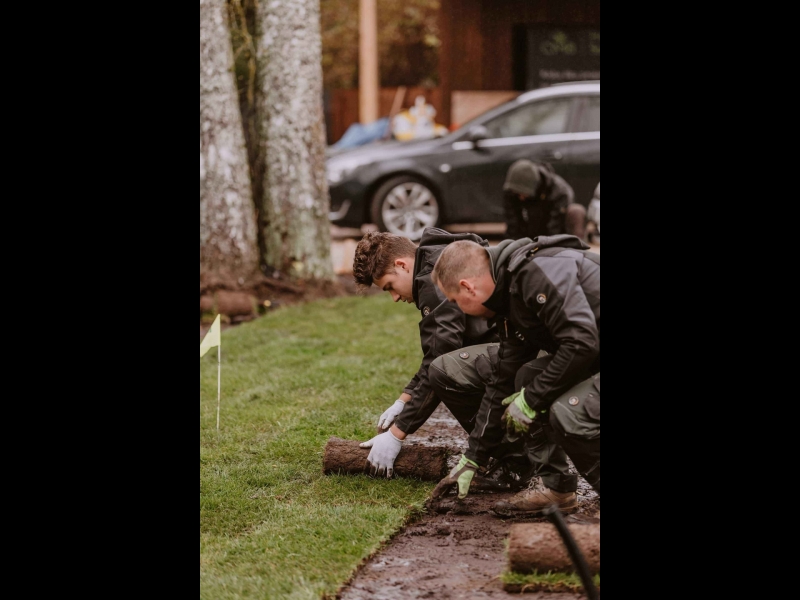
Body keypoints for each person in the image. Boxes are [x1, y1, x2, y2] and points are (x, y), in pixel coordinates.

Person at [352, 228, 576, 502]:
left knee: (448, 372)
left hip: (537, 352)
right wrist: (404, 399)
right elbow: (437, 350)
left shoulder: (433, 282)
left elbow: (439, 358)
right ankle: (507, 454)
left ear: (402, 265)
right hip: (528, 348)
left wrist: (397, 435)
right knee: (456, 368)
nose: (395, 297)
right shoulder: (437, 257)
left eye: (389, 286)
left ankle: (514, 461)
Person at [429, 233, 600, 516]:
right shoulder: (509, 295)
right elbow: (503, 380)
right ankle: (557, 489)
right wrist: (472, 458)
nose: (459, 309)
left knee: (569, 411)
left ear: (467, 287)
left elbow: (581, 343)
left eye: (455, 301)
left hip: (590, 348)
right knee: (526, 378)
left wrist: (531, 400)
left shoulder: (538, 273)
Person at [502, 159, 586, 241]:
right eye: (517, 194)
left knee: (576, 211)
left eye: (523, 194)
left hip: (557, 234)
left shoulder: (560, 191)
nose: (521, 198)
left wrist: (548, 246)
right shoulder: (512, 191)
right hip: (530, 233)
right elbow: (512, 224)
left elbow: (555, 226)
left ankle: (577, 249)